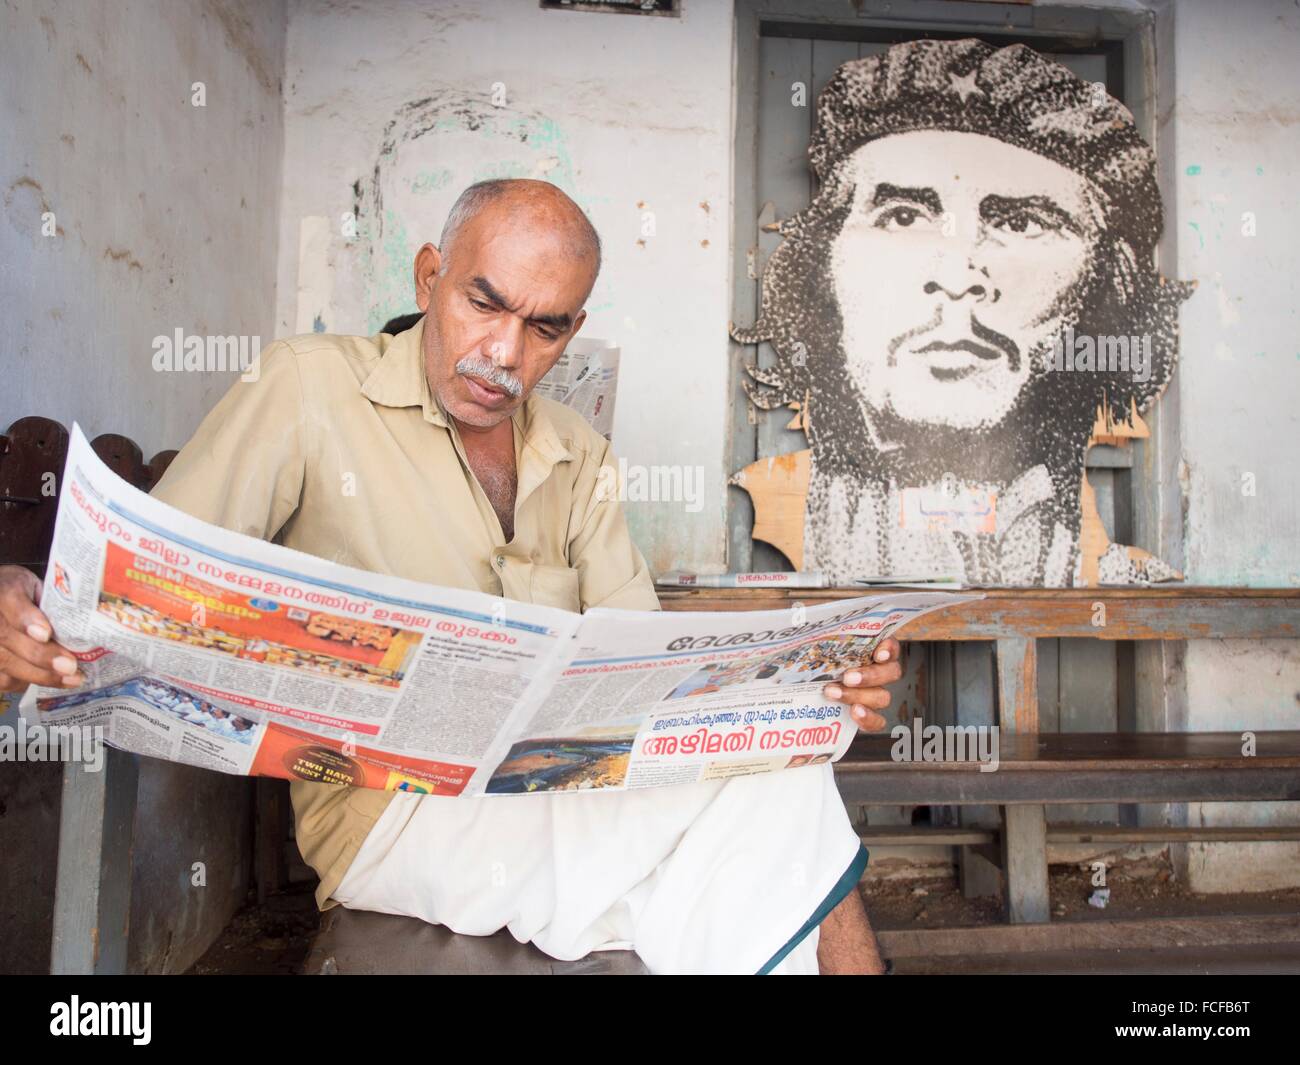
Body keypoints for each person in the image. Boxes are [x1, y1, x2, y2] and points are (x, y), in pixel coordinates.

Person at [0, 178, 903, 975]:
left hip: (560, 794)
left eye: (544, 327)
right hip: (394, 824)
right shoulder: (311, 390)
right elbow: (153, 578)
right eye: (484, 303)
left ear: (572, 330)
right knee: (774, 825)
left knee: (771, 806)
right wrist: (25, 608)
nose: (505, 353)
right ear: (430, 276)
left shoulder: (577, 456)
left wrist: (812, 690)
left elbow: (646, 668)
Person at [734, 38, 1194, 586]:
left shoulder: (1113, 574)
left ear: (1103, 283)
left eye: (1021, 224)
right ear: (821, 266)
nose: (957, 277)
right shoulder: (771, 499)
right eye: (902, 217)